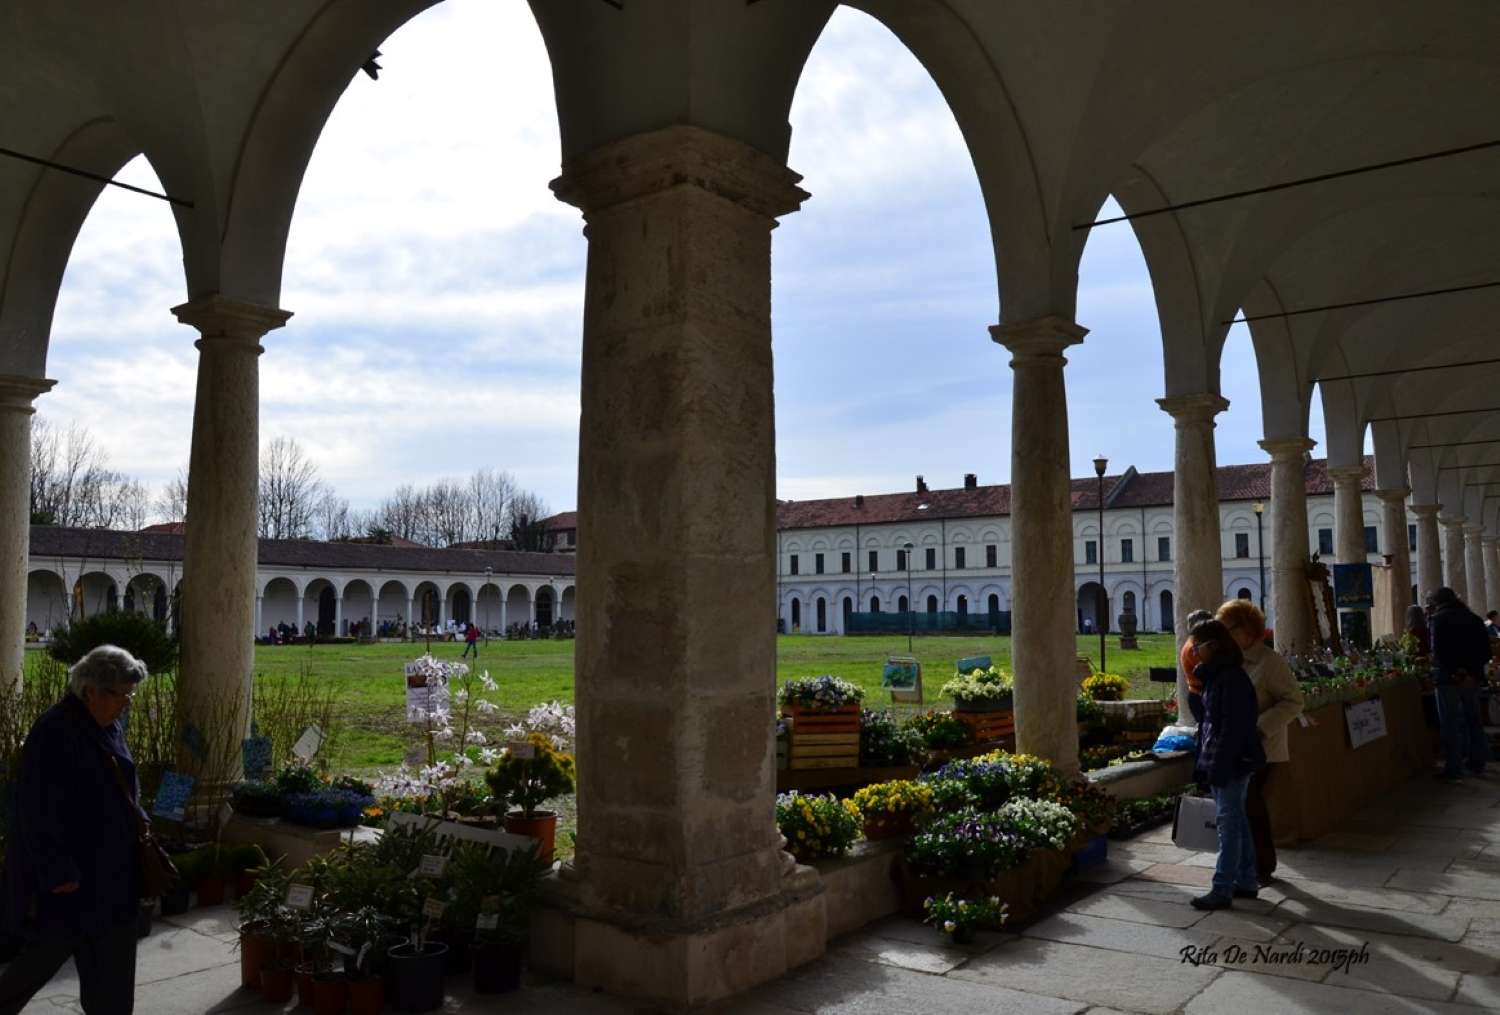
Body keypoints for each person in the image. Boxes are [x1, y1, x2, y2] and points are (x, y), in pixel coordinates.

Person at [0, 645, 149, 1014]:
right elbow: (34, 809)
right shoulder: (55, 731)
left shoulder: (108, 724)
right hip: (70, 885)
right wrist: (57, 868)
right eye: (121, 694)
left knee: (111, 984)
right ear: (90, 691)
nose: (127, 703)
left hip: (113, 884)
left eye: (131, 694)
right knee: (34, 966)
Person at [1215, 599, 1303, 882]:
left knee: (1250, 805)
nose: (1222, 637)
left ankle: (1261, 866)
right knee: (1243, 807)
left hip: (1261, 748)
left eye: (1226, 629)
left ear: (1245, 629)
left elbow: (1293, 701)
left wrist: (1259, 728)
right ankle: (1248, 864)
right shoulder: (1231, 659)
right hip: (1236, 747)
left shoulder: (1269, 661)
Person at [1185, 619, 1265, 910]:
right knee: (1238, 821)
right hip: (1226, 758)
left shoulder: (1230, 678)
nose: (1194, 653)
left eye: (1197, 647)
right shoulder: (1216, 676)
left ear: (1214, 646)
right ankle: (1245, 879)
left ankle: (1222, 888)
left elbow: (1232, 728)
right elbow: (1208, 721)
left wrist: (1218, 766)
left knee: (1227, 825)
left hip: (1231, 761)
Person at [1426, 587, 1491, 780]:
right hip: (1471, 679)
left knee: (1450, 723)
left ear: (1437, 602)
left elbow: (1439, 652)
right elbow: (1485, 652)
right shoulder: (1475, 619)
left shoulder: (1438, 620)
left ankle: (1454, 768)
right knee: (1474, 721)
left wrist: (1456, 673)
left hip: (1448, 679)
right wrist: (1469, 673)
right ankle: (1477, 762)